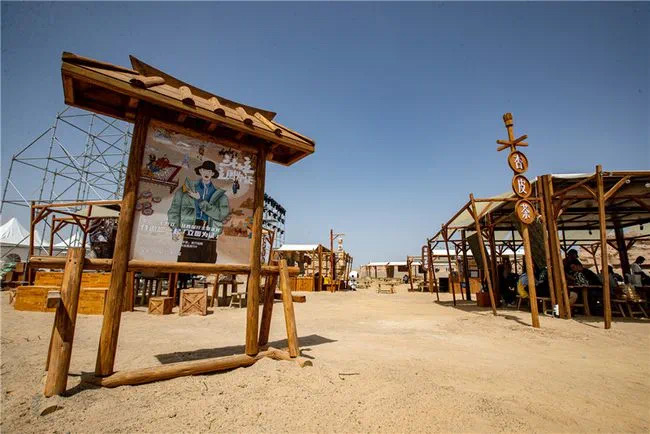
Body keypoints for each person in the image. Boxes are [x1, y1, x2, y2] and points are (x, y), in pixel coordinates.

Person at [168, 160, 230, 263]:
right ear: (200, 171)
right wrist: (175, 227)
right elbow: (175, 208)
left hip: (210, 230)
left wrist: (200, 200)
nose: (207, 173)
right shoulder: (188, 188)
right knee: (186, 260)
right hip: (191, 227)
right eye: (204, 170)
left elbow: (221, 215)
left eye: (210, 171)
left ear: (213, 174)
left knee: (207, 263)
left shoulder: (219, 194)